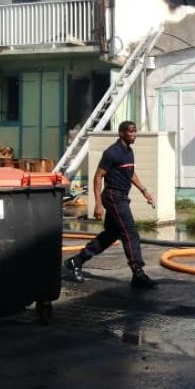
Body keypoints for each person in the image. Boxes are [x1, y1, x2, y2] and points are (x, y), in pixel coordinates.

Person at [64, 121, 158, 289]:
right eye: (130, 132)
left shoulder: (129, 151)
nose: (134, 134)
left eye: (135, 131)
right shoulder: (112, 152)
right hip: (113, 197)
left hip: (122, 196)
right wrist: (98, 204)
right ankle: (138, 272)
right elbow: (98, 176)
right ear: (121, 133)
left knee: (111, 234)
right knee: (131, 233)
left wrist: (144, 191)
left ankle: (76, 261)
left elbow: (130, 173)